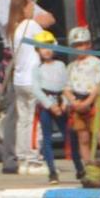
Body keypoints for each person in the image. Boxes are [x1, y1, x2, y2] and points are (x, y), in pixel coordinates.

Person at [0, 0, 55, 174]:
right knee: (18, 114)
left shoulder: (26, 8)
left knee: (24, 115)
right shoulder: (3, 5)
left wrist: (30, 18)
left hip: (22, 64)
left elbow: (50, 18)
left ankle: (25, 157)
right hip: (17, 62)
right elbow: (44, 34)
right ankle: (17, 158)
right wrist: (34, 20)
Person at [62, 25, 100, 183]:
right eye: (76, 46)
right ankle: (89, 166)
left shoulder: (96, 63)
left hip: (93, 101)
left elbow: (98, 85)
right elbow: (66, 87)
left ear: (89, 45)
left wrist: (89, 101)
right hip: (77, 101)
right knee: (83, 137)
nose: (79, 48)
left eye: (82, 44)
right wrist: (73, 101)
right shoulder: (71, 67)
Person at [5, 0, 47, 175]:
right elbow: (49, 43)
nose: (33, 9)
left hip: (19, 80)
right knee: (34, 120)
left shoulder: (13, 29)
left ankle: (22, 159)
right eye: (30, 6)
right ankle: (34, 159)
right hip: (32, 80)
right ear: (23, 8)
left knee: (23, 120)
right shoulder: (31, 25)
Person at [31, 31, 78, 183]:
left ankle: (79, 167)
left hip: (61, 103)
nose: (46, 50)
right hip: (47, 106)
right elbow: (36, 90)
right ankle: (52, 171)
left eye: (49, 46)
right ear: (37, 50)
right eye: (42, 47)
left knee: (70, 136)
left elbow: (66, 84)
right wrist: (50, 105)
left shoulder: (61, 65)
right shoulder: (36, 69)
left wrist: (64, 102)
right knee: (47, 138)